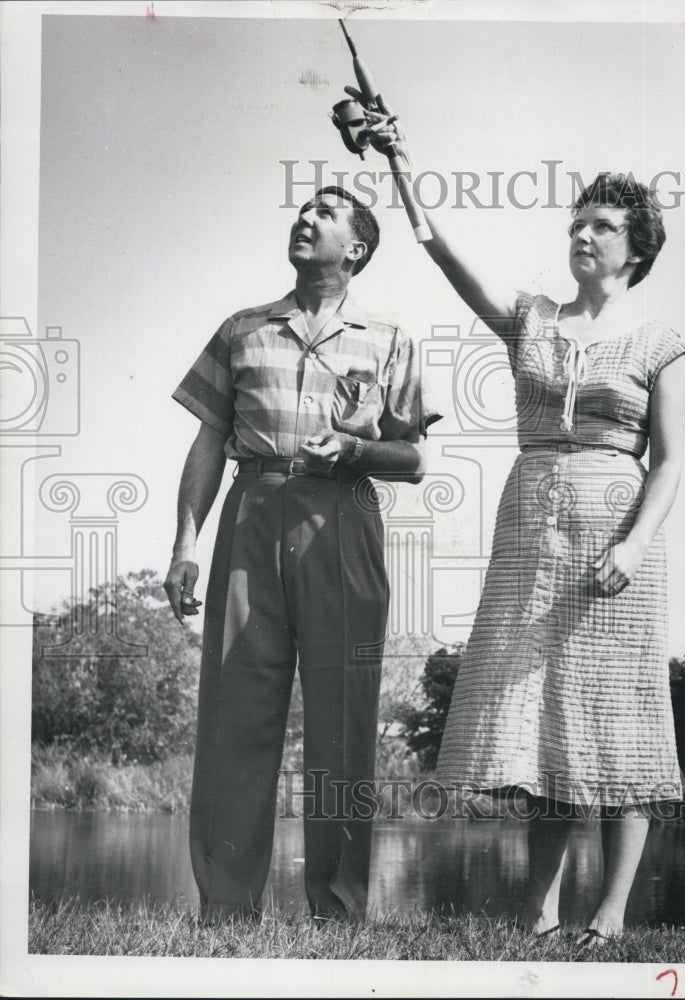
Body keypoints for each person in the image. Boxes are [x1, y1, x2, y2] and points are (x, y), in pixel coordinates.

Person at [372, 125, 685, 946]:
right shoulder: (532, 319)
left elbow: (669, 463)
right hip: (530, 525)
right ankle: (540, 911)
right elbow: (443, 253)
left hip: (617, 529)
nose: (583, 236)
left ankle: (612, 916)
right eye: (576, 223)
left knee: (620, 718)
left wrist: (631, 546)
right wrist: (400, 163)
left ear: (637, 248)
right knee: (544, 721)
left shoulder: (662, 342)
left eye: (602, 227)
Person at [163, 186, 440, 923]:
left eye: (324, 213)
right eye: (300, 211)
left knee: (345, 719)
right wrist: (185, 543)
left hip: (343, 514)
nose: (304, 218)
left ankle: (341, 909)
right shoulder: (242, 329)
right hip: (250, 512)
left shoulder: (388, 338)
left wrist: (354, 447)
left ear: (356, 249)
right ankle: (225, 907)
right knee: (234, 714)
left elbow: (412, 459)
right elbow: (206, 444)